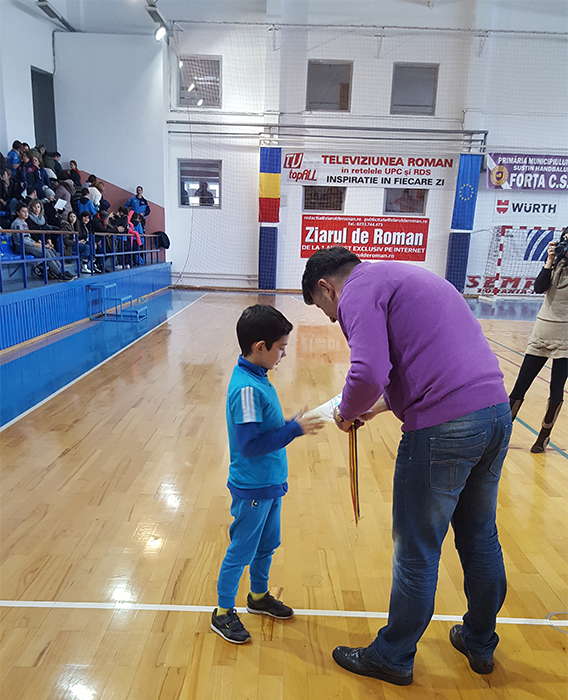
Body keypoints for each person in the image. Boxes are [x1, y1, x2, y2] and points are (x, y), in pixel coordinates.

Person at [301, 246, 510, 686]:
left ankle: (392, 657)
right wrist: (375, 408)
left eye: (325, 310)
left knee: (417, 550)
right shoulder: (402, 276)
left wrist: (345, 412)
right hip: (494, 413)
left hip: (443, 429)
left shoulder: (356, 291)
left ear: (326, 287)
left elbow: (369, 371)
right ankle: (480, 641)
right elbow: (417, 364)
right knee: (480, 538)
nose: (334, 320)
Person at [211, 304, 324, 644]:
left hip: (270, 484)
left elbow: (262, 429)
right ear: (260, 347)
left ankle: (258, 596)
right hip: (253, 488)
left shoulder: (258, 377)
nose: (284, 354)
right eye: (281, 348)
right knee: (241, 550)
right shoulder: (247, 389)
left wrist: (290, 424)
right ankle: (222, 612)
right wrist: (294, 430)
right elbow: (250, 445)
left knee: (267, 545)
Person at [509, 229, 568, 452]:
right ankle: (502, 432)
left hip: (565, 336)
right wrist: (550, 261)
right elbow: (539, 287)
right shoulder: (555, 264)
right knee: (520, 385)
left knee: (556, 390)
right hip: (542, 331)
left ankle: (544, 436)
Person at [10, 202, 76, 281]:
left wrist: (36, 243)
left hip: (29, 244)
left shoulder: (24, 222)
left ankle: (63, 271)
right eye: (23, 212)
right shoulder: (17, 223)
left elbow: (28, 238)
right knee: (46, 253)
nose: (26, 213)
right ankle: (59, 274)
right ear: (18, 213)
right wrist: (34, 244)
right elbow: (21, 240)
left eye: (26, 211)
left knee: (50, 251)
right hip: (22, 246)